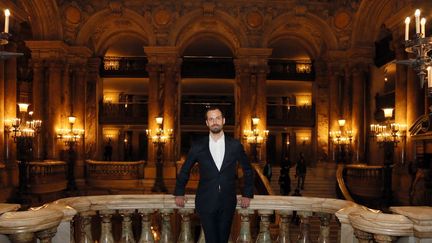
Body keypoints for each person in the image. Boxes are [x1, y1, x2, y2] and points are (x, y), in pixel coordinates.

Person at [174, 106, 254, 243]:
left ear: (223, 120)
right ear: (207, 123)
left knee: (222, 239)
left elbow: (248, 170)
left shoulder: (235, 145)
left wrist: (247, 194)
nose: (214, 121)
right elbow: (185, 169)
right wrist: (179, 192)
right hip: (205, 201)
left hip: (228, 201)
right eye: (211, 119)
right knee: (211, 239)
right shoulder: (198, 146)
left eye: (217, 118)